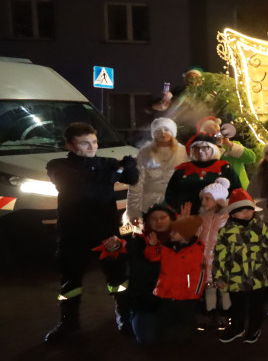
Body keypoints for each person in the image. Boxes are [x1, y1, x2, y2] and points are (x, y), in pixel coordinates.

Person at [44, 122, 139, 343]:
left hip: (107, 233)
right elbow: (85, 189)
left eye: (94, 142)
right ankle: (68, 322)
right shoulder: (58, 166)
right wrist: (115, 171)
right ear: (70, 145)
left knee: (117, 278)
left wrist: (130, 166)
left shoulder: (105, 163)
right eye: (84, 143)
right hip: (73, 232)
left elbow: (132, 179)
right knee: (70, 281)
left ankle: (124, 317)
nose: (91, 147)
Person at [213, 189, 268, 344]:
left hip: (258, 276)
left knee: (257, 306)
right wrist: (220, 276)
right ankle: (237, 327)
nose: (246, 213)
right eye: (242, 211)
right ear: (233, 213)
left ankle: (254, 328)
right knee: (237, 305)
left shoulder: (261, 227)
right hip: (235, 277)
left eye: (249, 209)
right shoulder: (226, 232)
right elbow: (220, 255)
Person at [144, 214, 205, 343]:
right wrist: (152, 246)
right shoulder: (167, 247)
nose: (171, 233)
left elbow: (199, 275)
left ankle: (185, 338)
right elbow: (153, 257)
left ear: (184, 234)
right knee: (167, 319)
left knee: (185, 320)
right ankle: (169, 337)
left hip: (185, 296)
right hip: (166, 292)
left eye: (175, 232)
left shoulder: (195, 252)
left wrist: (194, 294)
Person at [123, 202, 176, 346]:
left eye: (163, 217)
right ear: (147, 221)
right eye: (154, 218)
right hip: (146, 301)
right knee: (148, 339)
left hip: (174, 300)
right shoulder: (136, 243)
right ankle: (133, 318)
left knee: (178, 337)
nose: (158, 222)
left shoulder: (181, 242)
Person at [127, 117, 188, 225]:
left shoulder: (184, 152)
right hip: (150, 207)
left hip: (176, 207)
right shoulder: (145, 153)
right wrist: (133, 212)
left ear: (173, 133)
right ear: (153, 134)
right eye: (158, 130)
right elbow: (136, 184)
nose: (163, 133)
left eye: (166, 129)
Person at [164, 134, 241, 214]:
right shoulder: (182, 170)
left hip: (217, 217)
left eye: (205, 147)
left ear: (213, 149)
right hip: (187, 218)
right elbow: (170, 196)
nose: (200, 151)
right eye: (196, 148)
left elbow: (237, 192)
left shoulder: (225, 168)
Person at [196, 177, 231, 331]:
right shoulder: (202, 217)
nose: (203, 202)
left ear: (219, 200)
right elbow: (197, 235)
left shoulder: (226, 218)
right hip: (205, 260)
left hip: (221, 260)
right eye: (203, 198)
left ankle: (227, 315)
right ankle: (210, 314)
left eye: (207, 198)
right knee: (209, 287)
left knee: (224, 288)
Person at [194, 116, 258, 190]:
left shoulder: (232, 145)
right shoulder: (203, 152)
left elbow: (251, 158)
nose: (216, 136)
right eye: (211, 133)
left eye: (217, 131)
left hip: (241, 191)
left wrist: (229, 144)